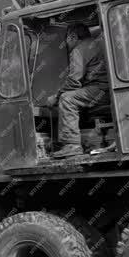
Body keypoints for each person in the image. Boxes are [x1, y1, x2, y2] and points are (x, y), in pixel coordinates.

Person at [46, 23, 109, 159]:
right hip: (108, 91)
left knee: (67, 99)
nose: (66, 44)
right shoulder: (99, 44)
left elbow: (74, 81)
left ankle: (71, 145)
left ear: (73, 37)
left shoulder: (79, 50)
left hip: (99, 90)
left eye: (66, 40)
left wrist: (56, 97)